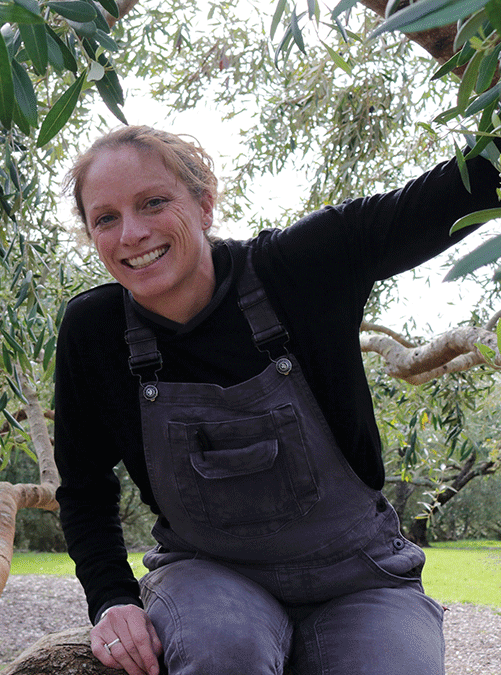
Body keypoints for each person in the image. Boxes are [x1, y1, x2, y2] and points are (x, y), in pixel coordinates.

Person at [54, 125, 500, 675]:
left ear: (205, 205)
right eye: (106, 219)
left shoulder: (300, 268)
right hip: (207, 574)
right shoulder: (93, 330)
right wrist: (112, 598)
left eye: (153, 203)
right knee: (221, 654)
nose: (132, 234)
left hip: (361, 576)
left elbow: (466, 188)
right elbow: (83, 489)